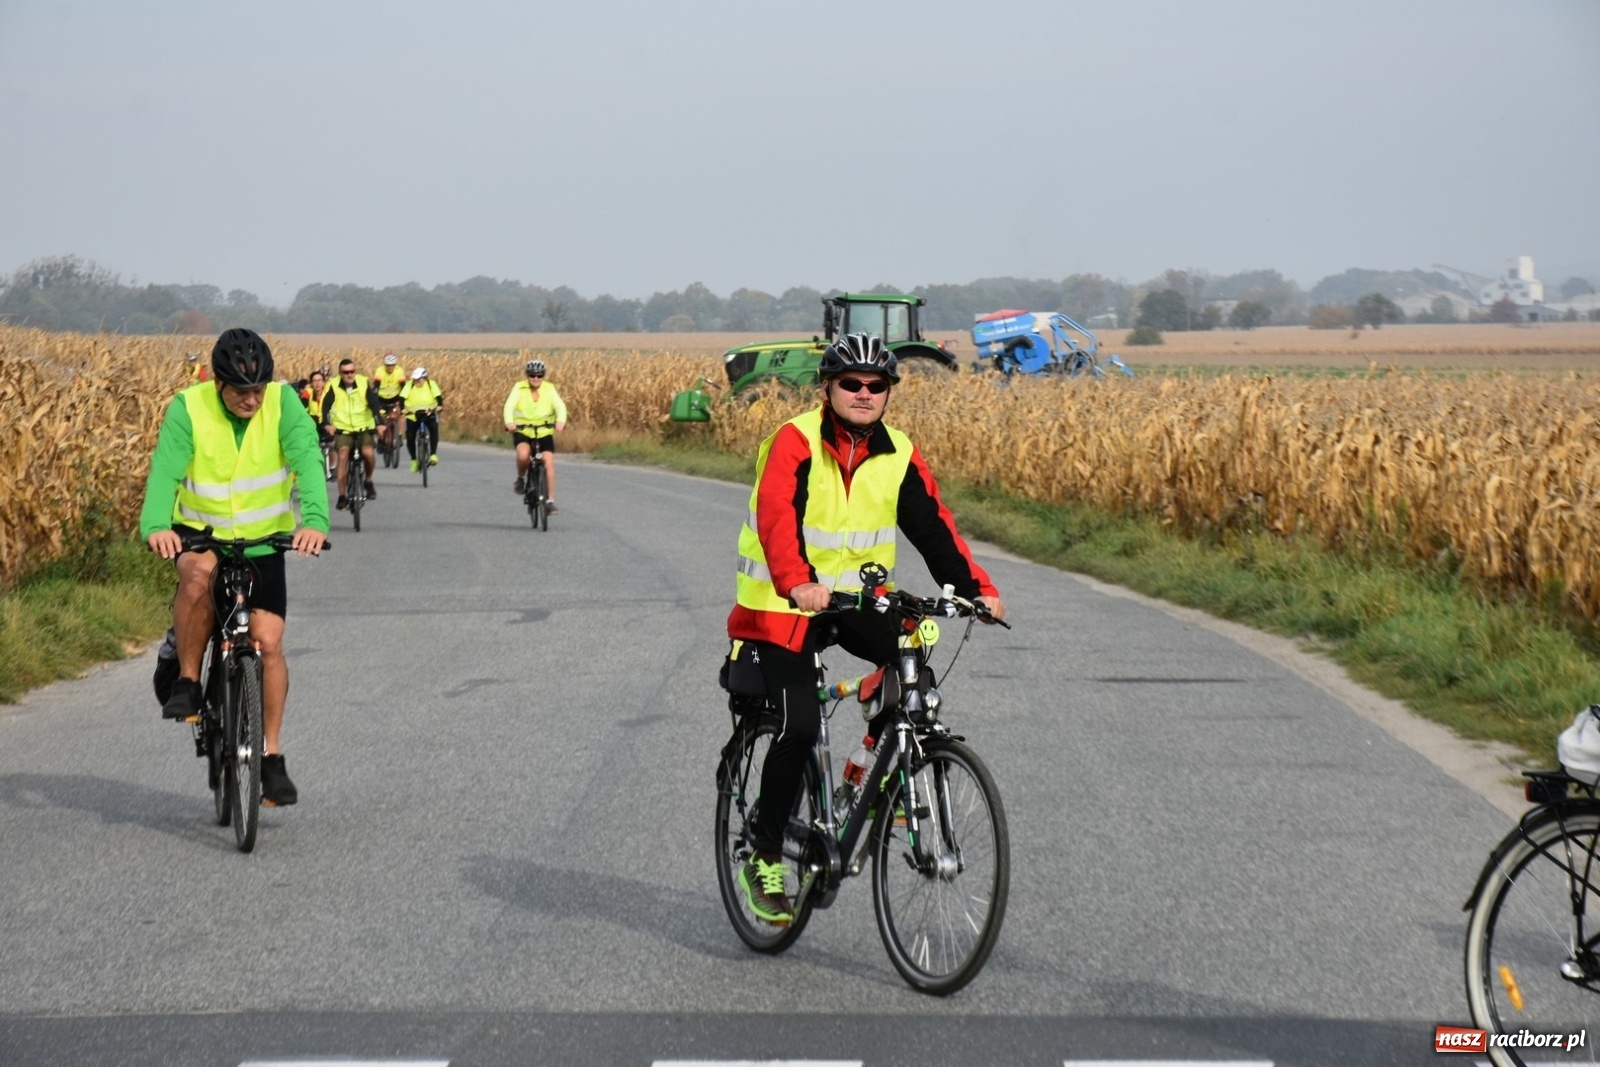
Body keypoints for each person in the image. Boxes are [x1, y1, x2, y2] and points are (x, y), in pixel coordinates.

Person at [725, 332, 1006, 925]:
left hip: (855, 600)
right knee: (797, 725)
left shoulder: (898, 452)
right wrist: (796, 581)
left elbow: (933, 528)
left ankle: (880, 773)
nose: (863, 393)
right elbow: (778, 516)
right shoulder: (794, 441)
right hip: (781, 603)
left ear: (887, 394)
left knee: (914, 663)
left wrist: (976, 588)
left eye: (875, 385)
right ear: (827, 388)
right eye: (850, 383)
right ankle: (766, 855)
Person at [140, 328, 329, 807]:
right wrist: (156, 526)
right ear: (219, 383)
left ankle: (271, 757)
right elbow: (166, 470)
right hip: (203, 535)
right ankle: (186, 680)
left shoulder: (285, 404)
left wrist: (316, 521)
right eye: (241, 390)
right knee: (198, 579)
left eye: (259, 389)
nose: (252, 399)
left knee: (267, 642)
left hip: (264, 542)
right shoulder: (190, 407)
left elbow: (308, 460)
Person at [502, 359, 568, 513]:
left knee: (548, 461)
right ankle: (520, 478)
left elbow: (560, 406)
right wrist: (509, 422)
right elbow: (509, 406)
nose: (536, 379)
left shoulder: (549, 389)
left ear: (543, 376)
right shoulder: (519, 387)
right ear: (527, 375)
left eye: (539, 376)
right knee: (524, 454)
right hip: (523, 430)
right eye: (532, 375)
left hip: (544, 431)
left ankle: (550, 502)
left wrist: (560, 421)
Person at [321, 357, 382, 510]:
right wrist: (327, 424)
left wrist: (380, 423)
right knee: (342, 455)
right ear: (340, 373)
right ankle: (342, 496)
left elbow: (373, 403)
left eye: (352, 371)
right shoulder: (333, 385)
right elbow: (326, 406)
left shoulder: (362, 382)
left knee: (368, 453)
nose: (349, 375)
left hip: (363, 427)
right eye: (345, 372)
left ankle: (368, 480)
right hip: (343, 429)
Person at [400, 366, 443, 472]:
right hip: (413, 415)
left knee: (433, 428)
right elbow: (402, 398)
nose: (416, 381)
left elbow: (438, 397)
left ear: (424, 378)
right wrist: (402, 409)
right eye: (415, 379)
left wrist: (440, 406)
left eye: (419, 379)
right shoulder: (409, 385)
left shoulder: (431, 384)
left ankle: (433, 454)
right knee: (410, 437)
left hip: (428, 413)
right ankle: (414, 460)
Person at [372, 352, 407, 453]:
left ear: (395, 365)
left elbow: (403, 387)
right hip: (381, 398)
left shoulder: (399, 371)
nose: (390, 368)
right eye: (388, 365)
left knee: (401, 413)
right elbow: (376, 387)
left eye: (392, 365)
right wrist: (374, 401)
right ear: (385, 365)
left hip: (395, 397)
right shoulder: (380, 371)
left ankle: (399, 436)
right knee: (378, 416)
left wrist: (403, 400)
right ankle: (380, 438)